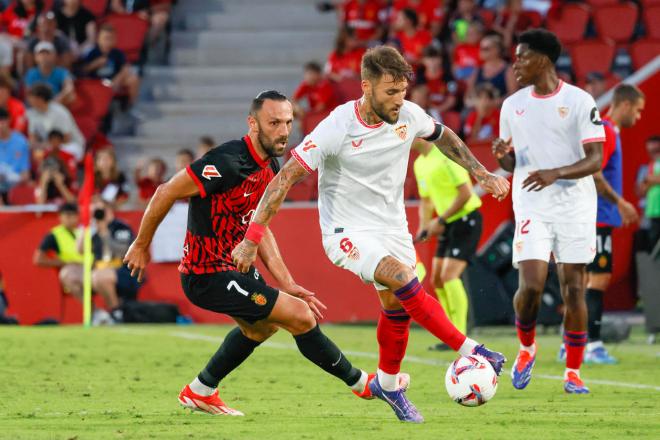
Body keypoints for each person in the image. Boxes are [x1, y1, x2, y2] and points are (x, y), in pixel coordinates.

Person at [232, 47, 510, 422]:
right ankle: (474, 351)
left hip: (392, 226)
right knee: (402, 278)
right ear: (366, 87)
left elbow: (444, 137)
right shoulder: (337, 126)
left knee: (395, 307)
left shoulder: (408, 115)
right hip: (345, 231)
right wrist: (252, 238)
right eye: (390, 93)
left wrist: (481, 173)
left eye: (403, 92)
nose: (399, 101)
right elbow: (284, 179)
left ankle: (390, 386)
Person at [123, 90, 393, 419]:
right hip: (206, 274)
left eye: (288, 122)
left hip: (232, 268)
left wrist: (287, 282)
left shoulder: (270, 167)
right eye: (274, 122)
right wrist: (140, 244)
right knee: (300, 316)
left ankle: (201, 390)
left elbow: (260, 228)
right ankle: (363, 384)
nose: (284, 130)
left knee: (261, 329)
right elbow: (166, 191)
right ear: (253, 123)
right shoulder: (225, 161)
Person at [492, 29, 606, 394]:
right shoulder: (512, 106)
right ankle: (527, 348)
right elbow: (514, 162)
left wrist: (557, 172)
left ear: (543, 59)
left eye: (522, 56)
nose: (516, 64)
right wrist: (504, 158)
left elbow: (594, 159)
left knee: (574, 289)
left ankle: (573, 372)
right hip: (532, 204)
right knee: (531, 287)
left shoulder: (579, 101)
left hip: (575, 205)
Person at [556, 84, 644, 365]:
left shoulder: (606, 130)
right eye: (638, 110)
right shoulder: (606, 130)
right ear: (626, 105)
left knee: (583, 281)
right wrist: (620, 202)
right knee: (596, 280)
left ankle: (568, 343)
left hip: (592, 215)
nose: (638, 117)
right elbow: (593, 172)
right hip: (597, 215)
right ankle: (591, 344)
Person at [412, 138, 483, 350]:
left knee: (449, 276)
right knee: (437, 279)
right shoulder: (419, 164)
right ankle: (450, 332)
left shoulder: (445, 155)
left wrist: (439, 220)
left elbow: (465, 193)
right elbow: (426, 200)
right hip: (447, 224)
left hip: (466, 219)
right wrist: (424, 226)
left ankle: (459, 336)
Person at [90, 199, 139, 323]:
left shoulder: (121, 227)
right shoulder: (93, 230)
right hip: (99, 271)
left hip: (124, 272)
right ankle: (98, 313)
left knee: (99, 276)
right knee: (71, 276)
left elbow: (123, 252)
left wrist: (105, 234)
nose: (98, 214)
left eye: (100, 210)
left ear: (109, 209)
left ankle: (116, 312)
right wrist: (87, 228)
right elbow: (79, 250)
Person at [33, 202, 84, 301]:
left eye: (72, 215)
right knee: (68, 274)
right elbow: (38, 259)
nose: (69, 219)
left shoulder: (85, 231)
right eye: (66, 215)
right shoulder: (54, 235)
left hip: (92, 268)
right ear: (60, 217)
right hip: (72, 271)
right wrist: (64, 263)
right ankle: (95, 311)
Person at [83, 24, 141, 107]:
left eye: (111, 38)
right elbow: (84, 70)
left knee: (134, 79)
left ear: (115, 40)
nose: (107, 42)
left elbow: (125, 67)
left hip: (114, 81)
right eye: (105, 38)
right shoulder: (92, 53)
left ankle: (130, 105)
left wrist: (117, 79)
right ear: (98, 39)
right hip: (97, 82)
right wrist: (95, 64)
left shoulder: (117, 53)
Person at [26, 83, 85, 161]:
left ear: (40, 99)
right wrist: (40, 146)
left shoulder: (59, 112)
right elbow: (32, 138)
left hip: (70, 145)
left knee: (57, 154)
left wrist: (47, 146)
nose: (28, 100)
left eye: (31, 97)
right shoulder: (31, 113)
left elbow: (66, 138)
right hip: (47, 146)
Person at [466, 31, 516, 106]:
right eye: (480, 48)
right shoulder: (477, 70)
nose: (481, 51)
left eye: (485, 49)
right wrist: (477, 103)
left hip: (500, 109)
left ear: (496, 50)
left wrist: (492, 104)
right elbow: (468, 95)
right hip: (478, 109)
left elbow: (513, 95)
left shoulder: (508, 70)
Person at [0, 108, 30, 203]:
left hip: (15, 185)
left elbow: (25, 174)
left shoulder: (21, 142)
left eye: (1, 121)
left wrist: (15, 178)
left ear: (8, 120)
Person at [639, 135, 660, 256]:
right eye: (650, 152)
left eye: (657, 151)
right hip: (652, 214)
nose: (654, 154)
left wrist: (650, 180)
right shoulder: (648, 167)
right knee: (653, 250)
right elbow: (641, 190)